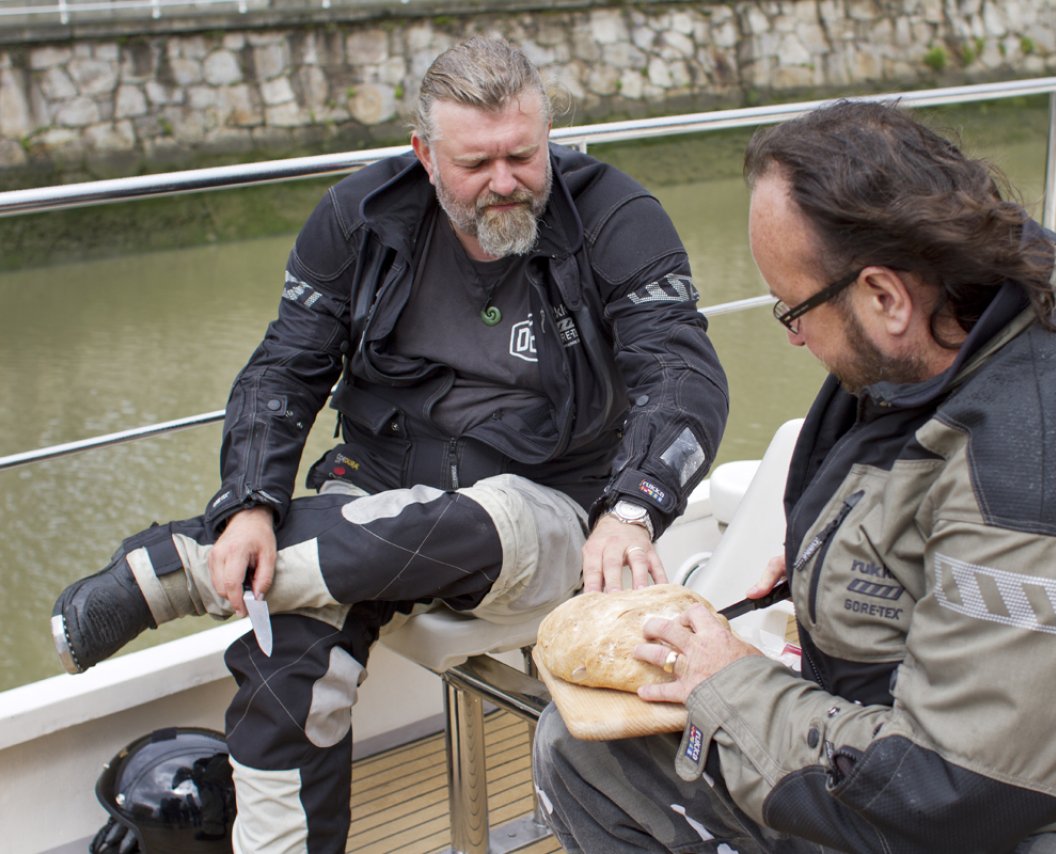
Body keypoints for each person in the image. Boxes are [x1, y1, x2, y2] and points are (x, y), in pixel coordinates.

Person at [51, 35, 728, 852]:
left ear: (547, 136)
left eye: (523, 155)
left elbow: (684, 376)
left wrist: (632, 508)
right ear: (425, 154)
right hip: (373, 489)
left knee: (483, 516)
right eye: (476, 163)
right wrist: (250, 505)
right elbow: (283, 368)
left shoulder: (616, 215)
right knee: (285, 663)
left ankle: (177, 568)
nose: (505, 181)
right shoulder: (361, 217)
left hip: (550, 508)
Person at [533, 100, 1056, 852]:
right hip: (934, 763)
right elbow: (924, 485)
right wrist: (829, 558)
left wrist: (732, 683)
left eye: (793, 310)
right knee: (587, 754)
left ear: (884, 296)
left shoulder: (1050, 478)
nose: (793, 338)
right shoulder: (970, 307)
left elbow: (939, 795)